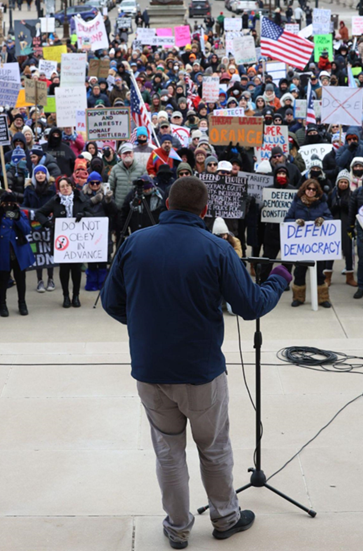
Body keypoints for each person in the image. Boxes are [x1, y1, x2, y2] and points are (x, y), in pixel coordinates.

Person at [101, 177, 292, 548]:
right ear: (204, 211)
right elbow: (250, 305)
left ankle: (177, 529)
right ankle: (225, 518)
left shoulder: (134, 243)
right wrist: (278, 281)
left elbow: (112, 303)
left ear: (167, 202)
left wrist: (147, 323)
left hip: (151, 370)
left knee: (168, 452)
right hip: (201, 373)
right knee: (214, 448)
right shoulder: (216, 249)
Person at [35, 176, 92, 308]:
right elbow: (40, 213)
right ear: (59, 189)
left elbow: (91, 213)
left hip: (78, 241)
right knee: (64, 269)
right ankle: (66, 296)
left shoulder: (81, 198)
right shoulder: (55, 201)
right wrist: (48, 224)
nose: (65, 188)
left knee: (76, 269)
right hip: (62, 241)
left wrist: (83, 215)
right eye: (62, 187)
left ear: (72, 186)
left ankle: (76, 296)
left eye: (67, 185)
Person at [284, 179, 333, 308]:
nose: (311, 191)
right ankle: (298, 298)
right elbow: (287, 219)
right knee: (299, 272)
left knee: (319, 272)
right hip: (301, 246)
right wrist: (296, 222)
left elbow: (330, 218)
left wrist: (323, 219)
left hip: (317, 246)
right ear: (304, 189)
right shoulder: (296, 203)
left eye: (314, 189)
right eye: (309, 188)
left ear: (317, 191)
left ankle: (323, 298)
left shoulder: (322, 204)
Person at [0, 193, 34, 317]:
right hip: (2, 252)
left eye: (11, 204)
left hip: (18, 251)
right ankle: (2, 304)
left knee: (20, 279)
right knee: (3, 281)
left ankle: (22, 303)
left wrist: (17, 218)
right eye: (6, 204)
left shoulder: (20, 214)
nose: (8, 206)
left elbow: (27, 230)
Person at [23, 164, 56, 292]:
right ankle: (40, 280)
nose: (40, 175)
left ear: (46, 175)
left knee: (49, 251)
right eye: (37, 173)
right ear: (34, 175)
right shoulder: (29, 189)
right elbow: (25, 206)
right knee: (38, 251)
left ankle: (51, 279)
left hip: (48, 223)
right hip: (35, 225)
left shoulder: (52, 189)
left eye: (42, 173)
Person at [323, 170, 356, 287]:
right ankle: (327, 276)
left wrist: (346, 206)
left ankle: (349, 276)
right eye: (341, 182)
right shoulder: (331, 194)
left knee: (348, 251)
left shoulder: (352, 195)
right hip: (333, 226)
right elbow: (325, 210)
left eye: (345, 182)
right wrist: (335, 206)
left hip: (347, 225)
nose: (343, 184)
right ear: (337, 183)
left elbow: (354, 210)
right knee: (331, 251)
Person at [109, 143, 146, 209]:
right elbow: (111, 187)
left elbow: (146, 186)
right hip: (120, 207)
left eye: (129, 153)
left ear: (133, 154)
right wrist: (113, 203)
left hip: (137, 207)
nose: (128, 155)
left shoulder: (142, 169)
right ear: (120, 156)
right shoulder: (115, 169)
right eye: (125, 153)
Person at [348, 175, 363, 301]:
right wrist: (350, 226)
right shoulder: (357, 193)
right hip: (362, 232)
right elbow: (352, 210)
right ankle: (362, 286)